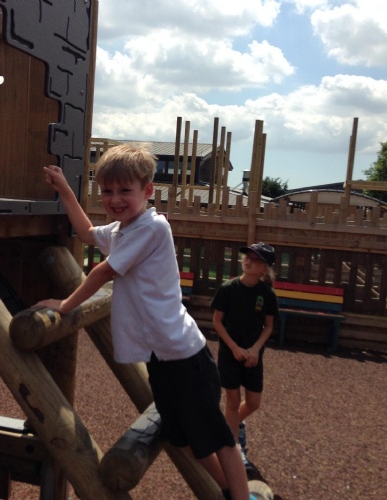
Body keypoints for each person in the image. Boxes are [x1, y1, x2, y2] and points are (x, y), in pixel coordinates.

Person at [35, 144, 252, 500]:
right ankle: (229, 490)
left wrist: (65, 305)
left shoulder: (151, 228)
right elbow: (87, 232)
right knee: (185, 439)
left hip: (185, 356)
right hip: (161, 359)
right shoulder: (122, 230)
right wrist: (65, 191)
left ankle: (242, 496)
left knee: (219, 438)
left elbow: (104, 271)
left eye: (125, 190)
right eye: (107, 191)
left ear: (147, 190)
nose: (115, 199)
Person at [211, 243, 278, 470]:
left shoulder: (267, 294)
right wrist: (234, 348)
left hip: (253, 356)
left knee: (253, 402)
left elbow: (269, 326)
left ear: (265, 269)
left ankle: (233, 424)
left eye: (255, 259)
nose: (248, 261)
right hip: (230, 354)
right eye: (247, 257)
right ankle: (235, 449)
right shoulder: (228, 288)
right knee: (232, 400)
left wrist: (255, 349)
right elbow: (217, 322)